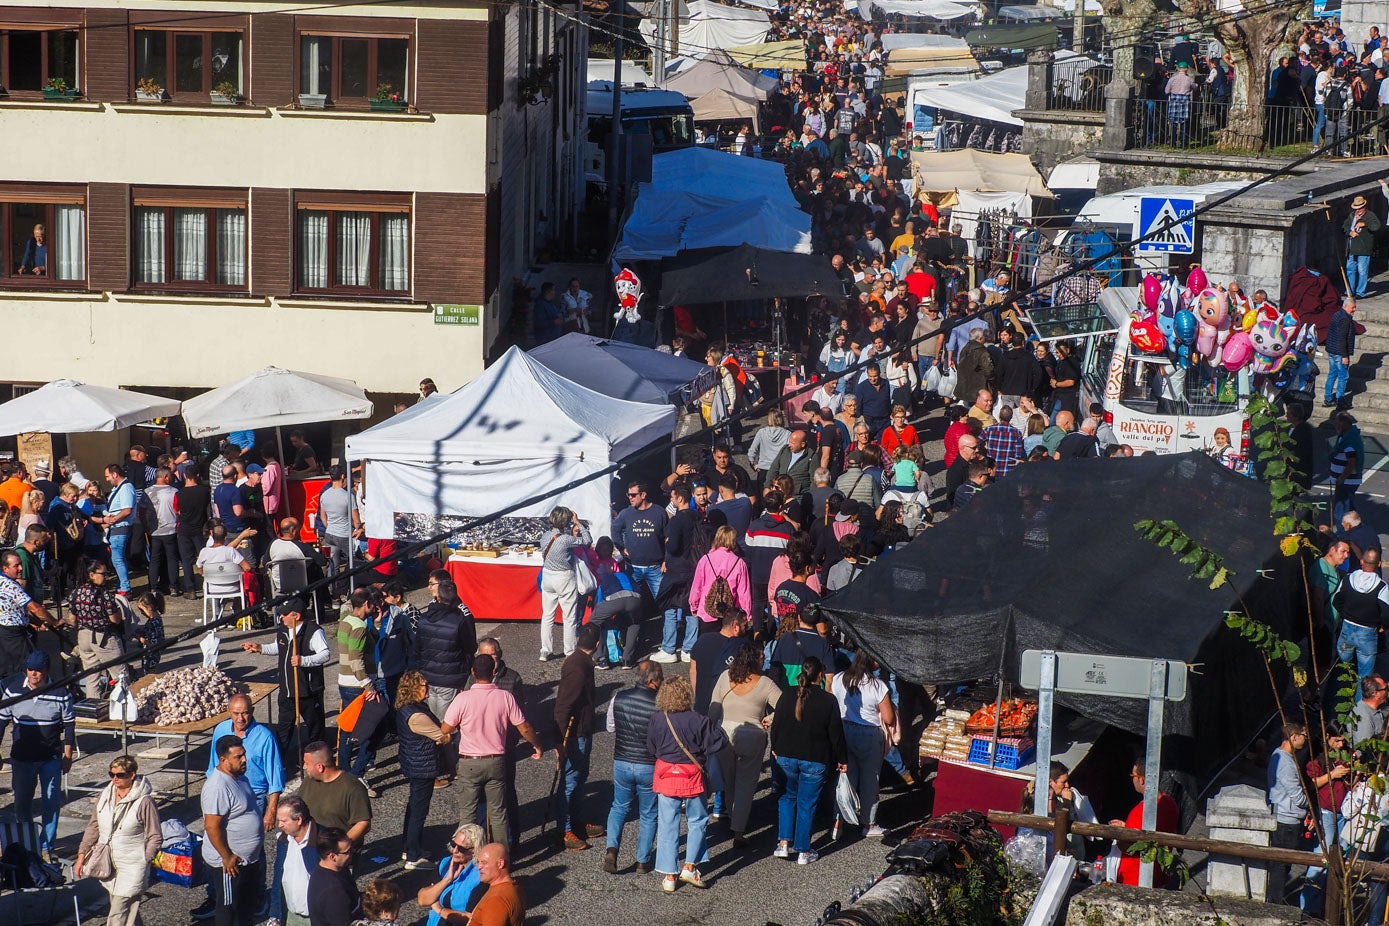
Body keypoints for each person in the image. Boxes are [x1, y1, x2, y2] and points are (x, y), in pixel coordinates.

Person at [441, 654, 546, 849]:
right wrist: (537, 745)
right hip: (496, 760)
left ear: (473, 672)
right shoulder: (505, 697)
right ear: (494, 672)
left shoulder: (462, 698)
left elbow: (446, 729)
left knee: (468, 814)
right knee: (498, 813)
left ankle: (467, 859)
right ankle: (501, 857)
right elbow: (524, 728)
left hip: (469, 762)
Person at [647, 677, 727, 892]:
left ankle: (669, 875)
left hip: (666, 775)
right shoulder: (699, 720)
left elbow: (651, 747)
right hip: (692, 776)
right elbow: (717, 743)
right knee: (698, 820)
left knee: (667, 824)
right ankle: (690, 867)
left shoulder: (657, 718)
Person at [770, 657, 846, 865]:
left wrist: (775, 748)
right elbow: (836, 734)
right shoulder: (828, 700)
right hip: (815, 759)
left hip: (785, 755)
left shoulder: (786, 695)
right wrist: (842, 758)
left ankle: (783, 843)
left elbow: (776, 725)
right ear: (820, 674)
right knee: (807, 803)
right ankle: (803, 850)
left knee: (787, 798)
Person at [242, 599, 331, 778]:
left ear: (296, 616)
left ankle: (317, 762)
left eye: (284, 614)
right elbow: (278, 647)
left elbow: (325, 654)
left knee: (315, 730)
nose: (281, 617)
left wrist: (304, 661)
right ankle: (278, 764)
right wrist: (260, 648)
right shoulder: (283, 629)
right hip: (287, 691)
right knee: (283, 730)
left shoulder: (313, 632)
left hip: (308, 692)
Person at [0, 650, 74, 856]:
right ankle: (27, 841)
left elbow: (69, 724)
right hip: (22, 759)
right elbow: (1, 721)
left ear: (46, 670)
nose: (33, 674)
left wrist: (68, 755)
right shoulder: (13, 691)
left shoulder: (61, 693)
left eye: (38, 670)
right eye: (30, 669)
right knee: (21, 802)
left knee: (51, 801)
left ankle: (46, 844)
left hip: (49, 757)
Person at [709, 642, 781, 847]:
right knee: (746, 784)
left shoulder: (725, 677)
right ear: (753, 660)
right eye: (760, 657)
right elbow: (784, 705)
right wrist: (771, 718)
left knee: (730, 780)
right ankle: (738, 831)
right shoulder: (765, 683)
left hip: (725, 734)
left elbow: (714, 709)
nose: (764, 659)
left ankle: (732, 817)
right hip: (753, 735)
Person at [76, 755, 162, 926]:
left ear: (132, 775)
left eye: (120, 775)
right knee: (129, 913)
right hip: (109, 864)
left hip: (133, 866)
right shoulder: (105, 796)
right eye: (112, 774)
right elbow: (94, 827)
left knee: (117, 915)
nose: (115, 778)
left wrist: (145, 859)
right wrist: (81, 857)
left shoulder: (144, 802)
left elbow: (155, 835)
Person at [414, 577, 477, 781]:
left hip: (428, 679)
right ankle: (453, 766)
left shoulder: (422, 619)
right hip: (450, 680)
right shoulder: (458, 622)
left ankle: (435, 764)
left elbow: (417, 648)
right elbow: (470, 647)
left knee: (432, 723)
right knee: (447, 726)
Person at [604, 660, 663, 875]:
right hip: (648, 765)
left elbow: (610, 727)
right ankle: (642, 860)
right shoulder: (660, 705)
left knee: (619, 806)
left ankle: (612, 848)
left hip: (622, 760)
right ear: (654, 681)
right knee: (648, 813)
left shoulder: (618, 698)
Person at [829, 651, 895, 839]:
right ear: (872, 661)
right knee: (870, 780)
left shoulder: (840, 678)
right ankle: (868, 823)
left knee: (845, 780)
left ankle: (837, 821)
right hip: (869, 734)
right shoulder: (877, 686)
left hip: (844, 730)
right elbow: (889, 718)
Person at [204, 735, 267, 926]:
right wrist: (227, 856)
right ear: (223, 760)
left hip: (247, 861)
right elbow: (211, 826)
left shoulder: (240, 777)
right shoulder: (218, 787)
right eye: (238, 757)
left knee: (245, 906)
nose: (244, 759)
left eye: (244, 754)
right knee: (229, 908)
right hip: (230, 864)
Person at [393, 670, 454, 868]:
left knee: (414, 807)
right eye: (423, 686)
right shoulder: (417, 715)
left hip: (414, 763)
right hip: (422, 766)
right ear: (413, 689)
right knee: (419, 810)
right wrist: (449, 736)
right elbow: (441, 736)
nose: (427, 689)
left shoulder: (406, 708)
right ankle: (413, 856)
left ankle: (409, 846)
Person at [555, 624, 601, 850]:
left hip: (583, 730)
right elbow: (562, 707)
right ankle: (565, 830)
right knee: (570, 781)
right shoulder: (577, 668)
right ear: (598, 644)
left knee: (579, 778)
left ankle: (577, 821)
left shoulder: (581, 663)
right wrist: (561, 740)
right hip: (575, 734)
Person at [336, 589, 382, 791]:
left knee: (347, 729)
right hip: (359, 686)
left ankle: (344, 772)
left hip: (345, 683)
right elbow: (357, 660)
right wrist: (369, 686)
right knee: (370, 731)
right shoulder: (359, 628)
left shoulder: (346, 621)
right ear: (366, 605)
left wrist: (377, 624)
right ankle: (357, 773)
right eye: (373, 603)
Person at [538, 506, 592, 661]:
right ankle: (569, 650)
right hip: (564, 577)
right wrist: (578, 522)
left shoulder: (545, 537)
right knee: (569, 616)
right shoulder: (566, 539)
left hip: (548, 575)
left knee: (547, 615)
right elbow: (587, 540)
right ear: (566, 521)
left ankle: (545, 650)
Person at [1264, 722, 1309, 904]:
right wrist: (1309, 805)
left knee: (1280, 865)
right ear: (1294, 736)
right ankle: (1275, 902)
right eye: (1304, 735)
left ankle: (1276, 898)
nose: (1306, 739)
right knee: (1281, 866)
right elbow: (1297, 797)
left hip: (1283, 815)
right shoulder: (1285, 763)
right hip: (1286, 819)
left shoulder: (1279, 755)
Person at [653, 485, 698, 663]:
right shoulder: (697, 516)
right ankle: (689, 648)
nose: (671, 501)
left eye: (673, 497)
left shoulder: (677, 521)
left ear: (680, 499)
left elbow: (673, 547)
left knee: (669, 606)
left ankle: (669, 648)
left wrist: (668, 541)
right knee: (691, 607)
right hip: (694, 567)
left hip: (677, 568)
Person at [70, 559, 125, 699]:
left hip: (83, 636)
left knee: (91, 678)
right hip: (104, 638)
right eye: (103, 573)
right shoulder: (104, 594)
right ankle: (123, 710)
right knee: (121, 676)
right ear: (92, 574)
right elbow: (115, 619)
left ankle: (93, 711)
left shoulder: (77, 592)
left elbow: (72, 619)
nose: (106, 576)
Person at [298, 742, 371, 848]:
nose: (304, 767)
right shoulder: (309, 781)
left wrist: (339, 847)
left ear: (320, 767)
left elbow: (363, 823)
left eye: (307, 763)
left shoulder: (353, 788)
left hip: (337, 853)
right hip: (312, 846)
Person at [1334, 548, 1389, 683]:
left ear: (1361, 561)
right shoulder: (1381, 586)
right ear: (1379, 564)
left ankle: (1333, 701)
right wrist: (1383, 626)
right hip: (1368, 634)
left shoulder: (1348, 579)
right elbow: (1386, 613)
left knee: (1341, 669)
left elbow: (1336, 600)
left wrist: (1345, 614)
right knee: (1365, 677)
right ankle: (1359, 703)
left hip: (1347, 630)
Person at [416, 823, 484, 926]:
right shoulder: (446, 863)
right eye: (453, 844)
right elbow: (422, 899)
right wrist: (446, 879)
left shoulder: (481, 876)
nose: (455, 850)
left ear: (474, 851)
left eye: (461, 849)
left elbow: (472, 919)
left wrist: (440, 910)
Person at [0, 549, 54, 678]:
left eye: (20, 564)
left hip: (7, 630)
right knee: (26, 666)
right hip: (13, 634)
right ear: (5, 568)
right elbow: (34, 608)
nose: (20, 568)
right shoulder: (10, 585)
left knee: (7, 667)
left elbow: (15, 610)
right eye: (16, 566)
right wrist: (54, 621)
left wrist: (37, 622)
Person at [270, 796, 318, 926]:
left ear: (299, 820)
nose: (279, 825)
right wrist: (275, 914)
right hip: (291, 917)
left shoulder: (322, 841)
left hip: (316, 918)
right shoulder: (284, 841)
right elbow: (278, 877)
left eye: (283, 821)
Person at [96, 464, 137, 595]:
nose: (107, 479)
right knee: (119, 558)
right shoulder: (119, 488)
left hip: (120, 527)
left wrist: (113, 519)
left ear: (115, 474)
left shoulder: (125, 488)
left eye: (107, 476)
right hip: (117, 527)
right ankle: (122, 584)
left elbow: (127, 510)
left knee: (117, 558)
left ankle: (125, 587)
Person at [307, 827, 360, 926]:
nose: (352, 852)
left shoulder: (339, 868)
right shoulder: (334, 891)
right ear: (332, 856)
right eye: (347, 851)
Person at [466, 844, 526, 926]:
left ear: (500, 864)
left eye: (484, 862)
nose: (479, 867)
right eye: (478, 862)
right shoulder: (513, 887)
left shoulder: (497, 900)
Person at [1344, 195, 1381, 299]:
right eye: (1356, 208)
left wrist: (1364, 224)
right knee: (1350, 269)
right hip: (1351, 247)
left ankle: (1361, 292)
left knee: (1362, 271)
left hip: (1363, 248)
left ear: (1364, 206)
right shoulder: (1352, 216)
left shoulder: (1370, 216)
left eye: (1360, 208)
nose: (1358, 210)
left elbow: (1376, 226)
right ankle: (1349, 291)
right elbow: (1345, 226)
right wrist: (1349, 232)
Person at [1330, 411, 1364, 522]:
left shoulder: (1349, 441)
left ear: (1344, 423)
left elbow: (1351, 462)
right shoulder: (1344, 437)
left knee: (1341, 512)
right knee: (1349, 509)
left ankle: (1343, 535)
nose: (1336, 425)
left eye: (1338, 422)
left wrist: (1341, 478)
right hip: (1345, 481)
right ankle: (1357, 530)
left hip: (1346, 482)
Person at [1325, 297, 1358, 408]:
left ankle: (1328, 398)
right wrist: (1345, 356)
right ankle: (1340, 401)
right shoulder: (1345, 319)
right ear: (1346, 306)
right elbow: (1342, 338)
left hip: (1332, 350)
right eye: (1352, 307)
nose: (1354, 310)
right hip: (1340, 352)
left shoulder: (1337, 315)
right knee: (1342, 377)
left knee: (1332, 374)